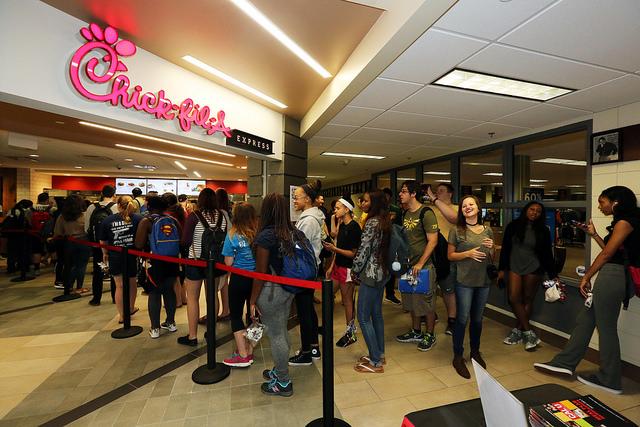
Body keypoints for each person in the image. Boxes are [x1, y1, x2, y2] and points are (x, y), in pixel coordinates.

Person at [534, 186, 640, 395]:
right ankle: (564, 362)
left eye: (602, 201)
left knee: (606, 327)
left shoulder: (625, 222)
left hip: (613, 276)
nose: (600, 206)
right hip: (614, 273)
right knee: (587, 319)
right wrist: (594, 235)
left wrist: (586, 276)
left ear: (615, 202)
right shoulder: (625, 221)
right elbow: (614, 251)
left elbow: (608, 255)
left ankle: (610, 379)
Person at [249, 193, 302, 396]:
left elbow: (260, 273)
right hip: (288, 289)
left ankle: (283, 381)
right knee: (281, 330)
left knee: (276, 333)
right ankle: (280, 371)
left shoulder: (266, 236)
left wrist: (253, 299)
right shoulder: (291, 231)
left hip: (270, 290)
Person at [499, 201, 557, 350]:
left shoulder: (543, 230)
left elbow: (546, 253)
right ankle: (529, 332)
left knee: (527, 299)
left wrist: (553, 273)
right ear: (526, 210)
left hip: (534, 267)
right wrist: (501, 269)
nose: (534, 213)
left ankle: (518, 331)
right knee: (513, 297)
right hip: (514, 265)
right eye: (532, 209)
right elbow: (505, 248)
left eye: (538, 211)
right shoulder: (513, 226)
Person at [448, 195, 494, 379]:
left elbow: (492, 258)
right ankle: (458, 356)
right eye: (464, 205)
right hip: (464, 282)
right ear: (461, 210)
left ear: (478, 207)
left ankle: (475, 352)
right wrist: (467, 253)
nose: (467, 207)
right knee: (462, 319)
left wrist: (492, 249)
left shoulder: (488, 230)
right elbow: (450, 256)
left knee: (477, 319)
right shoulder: (456, 230)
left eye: (471, 204)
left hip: (483, 282)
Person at [178, 188, 228, 346]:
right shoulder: (222, 216)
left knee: (192, 298)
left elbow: (185, 241)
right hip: (216, 262)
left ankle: (192, 336)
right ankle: (211, 332)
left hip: (196, 262)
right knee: (212, 296)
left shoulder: (194, 216)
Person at [396, 180, 439, 352]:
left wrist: (421, 263)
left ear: (413, 194)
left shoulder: (426, 213)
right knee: (412, 300)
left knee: (426, 302)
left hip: (424, 266)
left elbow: (433, 241)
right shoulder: (405, 213)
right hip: (408, 265)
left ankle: (430, 334)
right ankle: (416, 331)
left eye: (404, 191)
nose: (400, 194)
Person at [352, 190, 391, 373]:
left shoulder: (372, 223)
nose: (363, 203)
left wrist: (354, 270)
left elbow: (364, 250)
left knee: (363, 317)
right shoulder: (385, 221)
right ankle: (379, 353)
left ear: (374, 203)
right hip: (383, 273)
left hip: (370, 274)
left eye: (366, 200)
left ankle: (375, 362)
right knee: (377, 315)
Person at [288, 181, 324, 365]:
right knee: (308, 309)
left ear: (308, 199)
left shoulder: (309, 221)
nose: (294, 199)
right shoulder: (309, 218)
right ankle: (313, 348)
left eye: (297, 196)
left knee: (305, 312)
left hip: (304, 270)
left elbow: (298, 247)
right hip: (309, 269)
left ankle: (307, 353)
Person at [134, 196, 179, 339]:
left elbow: (139, 244)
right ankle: (171, 322)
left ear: (149, 207)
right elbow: (181, 240)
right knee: (169, 290)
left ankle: (155, 328)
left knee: (154, 292)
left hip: (154, 262)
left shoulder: (146, 221)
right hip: (172, 260)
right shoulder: (173, 221)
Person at [222, 202, 258, 367]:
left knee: (236, 315)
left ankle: (242, 355)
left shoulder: (231, 235)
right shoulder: (258, 235)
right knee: (254, 315)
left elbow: (228, 263)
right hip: (256, 281)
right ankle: (250, 348)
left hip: (238, 279)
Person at [323, 195, 362, 348]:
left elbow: (353, 253)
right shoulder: (342, 225)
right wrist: (331, 267)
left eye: (338, 208)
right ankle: (329, 326)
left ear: (347, 209)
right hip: (338, 267)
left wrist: (334, 249)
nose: (335, 210)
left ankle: (350, 332)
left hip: (347, 268)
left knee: (347, 302)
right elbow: (337, 246)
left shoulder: (354, 227)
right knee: (328, 294)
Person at [99, 196, 141, 323]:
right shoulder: (138, 219)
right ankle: (131, 308)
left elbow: (103, 240)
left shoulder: (108, 220)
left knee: (119, 286)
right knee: (132, 282)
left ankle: (122, 315)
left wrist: (105, 253)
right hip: (132, 255)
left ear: (118, 205)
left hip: (115, 255)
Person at [427, 183, 460, 336]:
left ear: (450, 194)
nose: (437, 193)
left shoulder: (456, 208)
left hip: (447, 254)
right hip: (430, 253)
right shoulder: (430, 209)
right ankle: (430, 316)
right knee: (429, 288)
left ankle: (452, 320)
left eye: (441, 191)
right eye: (436, 191)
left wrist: (434, 199)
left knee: (448, 289)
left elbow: (453, 219)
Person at [86, 185, 118, 306]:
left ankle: (96, 298)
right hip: (113, 245)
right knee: (114, 270)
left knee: (98, 270)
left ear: (101, 193)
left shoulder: (91, 207)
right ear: (114, 194)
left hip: (97, 244)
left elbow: (87, 227)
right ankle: (115, 297)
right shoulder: (116, 207)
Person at [53, 195, 91, 295]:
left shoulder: (62, 216)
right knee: (81, 266)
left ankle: (69, 287)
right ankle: (79, 287)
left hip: (69, 242)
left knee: (70, 266)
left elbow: (58, 232)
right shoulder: (85, 215)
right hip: (84, 242)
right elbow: (89, 230)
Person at [163, 193, 187, 307]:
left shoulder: (167, 216)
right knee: (181, 274)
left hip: (172, 248)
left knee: (174, 276)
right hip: (183, 247)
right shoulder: (182, 212)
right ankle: (183, 298)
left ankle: (177, 301)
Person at [382, 188, 402, 305]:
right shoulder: (378, 209)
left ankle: (390, 294)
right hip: (381, 242)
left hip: (393, 241)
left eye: (386, 196)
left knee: (392, 268)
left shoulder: (395, 209)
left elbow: (399, 226)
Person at [216, 188, 232, 321]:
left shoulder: (220, 214)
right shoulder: (228, 213)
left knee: (219, 283)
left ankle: (223, 311)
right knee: (224, 282)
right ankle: (226, 309)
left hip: (222, 252)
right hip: (228, 252)